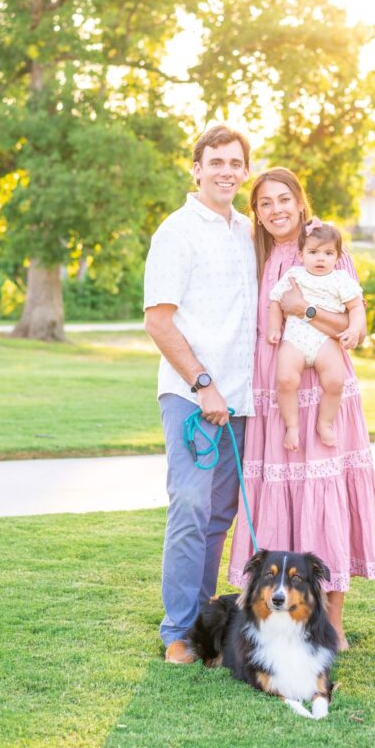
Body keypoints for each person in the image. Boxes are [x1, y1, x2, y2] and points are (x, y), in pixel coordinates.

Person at [228, 167, 375, 650]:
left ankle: (332, 622)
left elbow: (349, 324)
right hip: (275, 394)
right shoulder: (256, 257)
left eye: (284, 200)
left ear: (300, 202)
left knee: (325, 497)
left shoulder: (327, 250)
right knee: (280, 498)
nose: (276, 210)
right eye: (264, 203)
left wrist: (305, 310)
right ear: (255, 213)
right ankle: (271, 620)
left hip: (326, 392)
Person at [144, 125, 257, 664]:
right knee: (189, 507)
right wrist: (203, 384)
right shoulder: (177, 230)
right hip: (193, 397)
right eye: (216, 162)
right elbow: (159, 320)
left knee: (218, 515)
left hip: (240, 402)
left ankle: (205, 625)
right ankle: (177, 632)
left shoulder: (246, 232)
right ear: (196, 168)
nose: (226, 171)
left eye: (236, 162)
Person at [268, 218, 364, 451]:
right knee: (285, 380)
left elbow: (356, 307)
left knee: (334, 381)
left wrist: (353, 329)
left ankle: (325, 422)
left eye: (328, 253)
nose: (320, 258)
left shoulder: (341, 280)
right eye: (313, 252)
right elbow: (276, 301)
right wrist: (273, 327)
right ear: (301, 255)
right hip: (295, 338)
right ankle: (292, 426)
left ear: (338, 257)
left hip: (325, 341)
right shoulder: (294, 275)